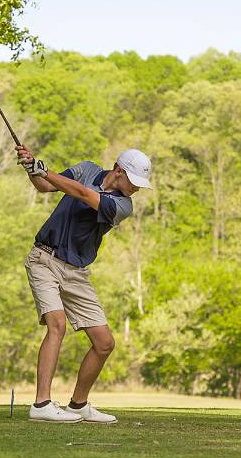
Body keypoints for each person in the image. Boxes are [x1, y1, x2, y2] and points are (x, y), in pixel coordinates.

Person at [16, 145, 152, 423]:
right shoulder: (86, 169)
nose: (136, 189)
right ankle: (41, 404)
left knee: (104, 343)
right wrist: (32, 168)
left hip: (77, 271)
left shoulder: (123, 205)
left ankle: (78, 405)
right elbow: (44, 186)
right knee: (57, 324)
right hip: (44, 258)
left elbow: (81, 193)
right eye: (134, 182)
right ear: (118, 171)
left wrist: (46, 170)